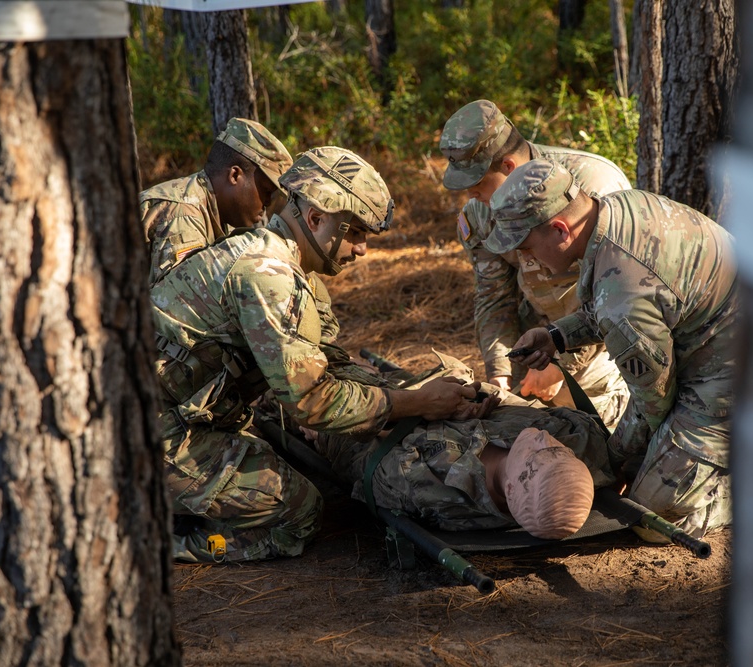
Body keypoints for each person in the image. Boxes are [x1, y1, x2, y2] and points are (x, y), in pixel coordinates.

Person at [151, 146, 498, 563]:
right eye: (354, 232)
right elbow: (312, 402)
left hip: (186, 419)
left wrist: (428, 398)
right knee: (299, 515)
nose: (363, 249)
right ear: (315, 218)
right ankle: (168, 541)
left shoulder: (295, 272)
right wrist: (415, 403)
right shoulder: (268, 276)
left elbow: (331, 364)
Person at [486, 158, 737, 542]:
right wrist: (556, 335)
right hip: (717, 335)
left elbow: (653, 401)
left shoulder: (622, 291)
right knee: (642, 462)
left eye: (527, 247)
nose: (526, 260)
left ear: (559, 229)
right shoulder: (612, 209)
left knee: (650, 515)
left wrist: (612, 459)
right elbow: (620, 300)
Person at [439, 99, 632, 429]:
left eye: (477, 185)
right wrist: (499, 372)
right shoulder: (479, 213)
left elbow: (620, 297)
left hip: (602, 335)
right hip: (537, 333)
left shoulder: (594, 187)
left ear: (509, 167)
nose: (471, 197)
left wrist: (562, 366)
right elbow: (494, 298)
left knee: (594, 424)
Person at [311, 404, 621, 538]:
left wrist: (412, 408)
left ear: (511, 490)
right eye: (558, 450)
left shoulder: (423, 484)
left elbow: (355, 451)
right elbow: (571, 425)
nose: (543, 439)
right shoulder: (576, 444)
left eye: (540, 453)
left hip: (369, 416)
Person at [140, 117, 294, 286]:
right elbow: (184, 302)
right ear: (235, 175)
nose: (267, 202)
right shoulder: (183, 215)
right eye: (266, 191)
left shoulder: (218, 213)